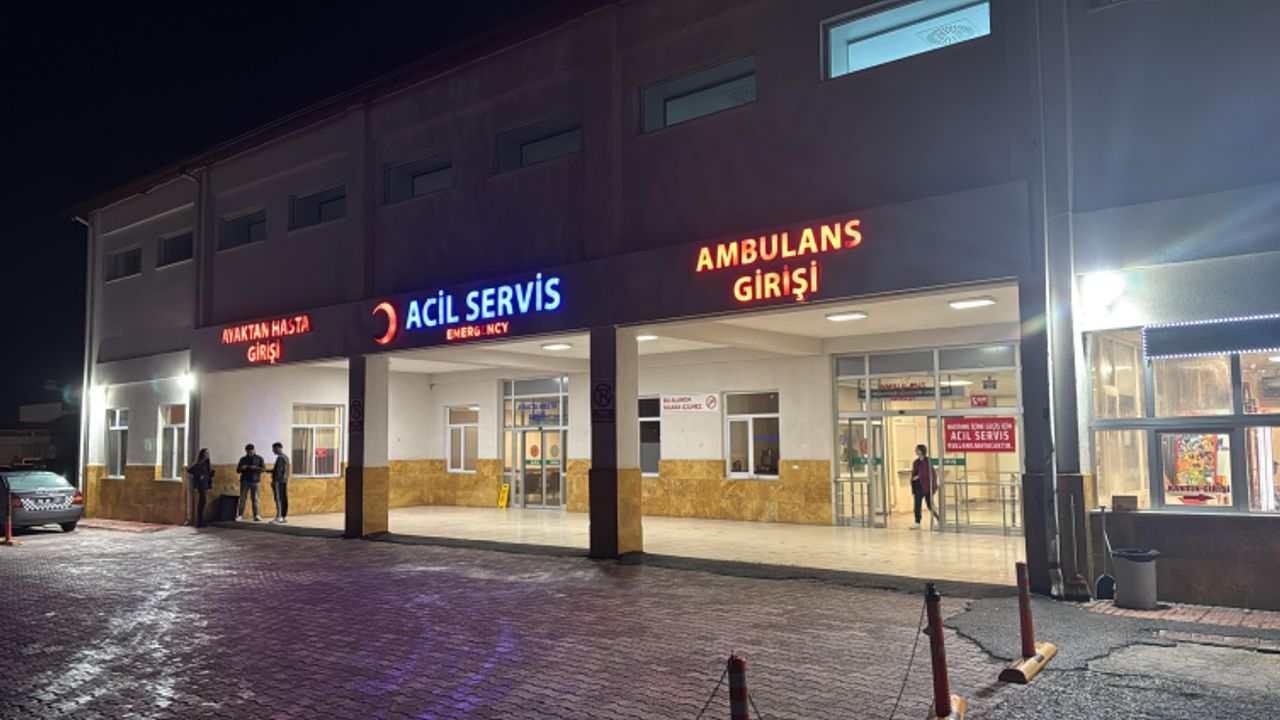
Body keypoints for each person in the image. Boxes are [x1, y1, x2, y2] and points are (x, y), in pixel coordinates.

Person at [910, 443, 941, 530]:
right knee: (917, 505)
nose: (916, 451)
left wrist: (920, 477)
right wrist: (914, 479)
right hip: (918, 486)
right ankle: (917, 522)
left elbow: (930, 474)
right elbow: (914, 473)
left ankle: (939, 518)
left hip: (927, 486)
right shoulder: (916, 462)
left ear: (921, 451)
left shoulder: (928, 462)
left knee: (930, 505)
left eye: (917, 450)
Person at [236, 444, 265, 522]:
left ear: (254, 450)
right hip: (245, 480)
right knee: (242, 498)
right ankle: (240, 515)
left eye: (251, 451)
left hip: (255, 481)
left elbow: (263, 469)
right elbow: (238, 470)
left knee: (255, 498)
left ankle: (256, 515)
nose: (249, 453)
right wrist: (242, 468)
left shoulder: (259, 458)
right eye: (248, 452)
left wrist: (255, 467)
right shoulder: (243, 459)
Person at [187, 449, 214, 528]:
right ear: (202, 454)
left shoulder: (207, 463)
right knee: (202, 501)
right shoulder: (200, 463)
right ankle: (200, 520)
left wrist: (210, 474)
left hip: (205, 484)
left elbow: (207, 473)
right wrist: (200, 476)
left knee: (203, 502)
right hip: (201, 484)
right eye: (206, 453)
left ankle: (201, 519)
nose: (207, 455)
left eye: (208, 453)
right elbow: (191, 470)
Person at [270, 442, 290, 524]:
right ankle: (283, 516)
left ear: (278, 448)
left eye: (274, 449)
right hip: (284, 481)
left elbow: (278, 471)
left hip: (278, 481)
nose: (273, 451)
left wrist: (274, 481)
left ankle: (279, 516)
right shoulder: (286, 457)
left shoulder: (280, 458)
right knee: (283, 498)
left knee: (279, 499)